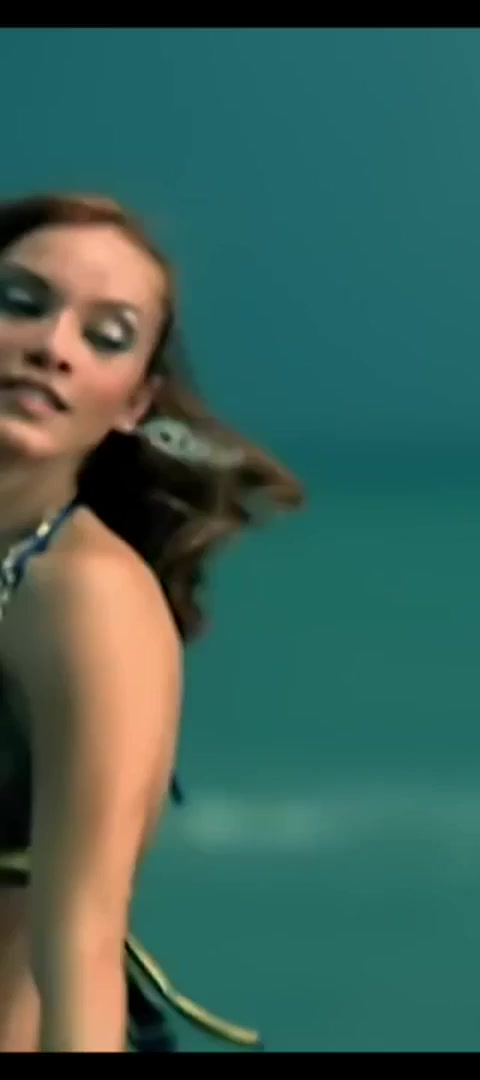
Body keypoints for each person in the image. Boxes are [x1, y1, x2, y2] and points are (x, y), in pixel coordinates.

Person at [0, 194, 302, 1051]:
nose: (53, 347)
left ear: (135, 403)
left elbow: (82, 944)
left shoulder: (83, 597)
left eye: (106, 336)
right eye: (21, 302)